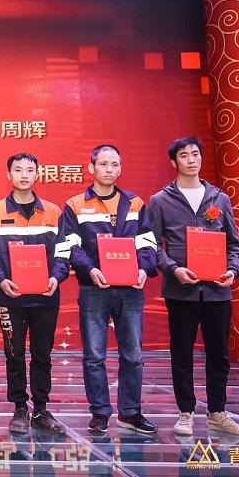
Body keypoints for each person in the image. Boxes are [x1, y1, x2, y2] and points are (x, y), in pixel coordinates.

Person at [149, 136, 239, 436]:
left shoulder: (219, 198)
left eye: (195, 154)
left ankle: (217, 412)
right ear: (174, 162)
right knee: (181, 353)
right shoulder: (160, 200)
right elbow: (151, 245)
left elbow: (234, 243)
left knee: (219, 354)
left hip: (217, 290)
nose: (191, 159)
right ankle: (186, 412)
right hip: (181, 291)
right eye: (184, 155)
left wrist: (233, 269)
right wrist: (173, 269)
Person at [63, 145, 158, 434]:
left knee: (133, 356)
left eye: (114, 164)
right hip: (94, 288)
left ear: (120, 169)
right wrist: (90, 270)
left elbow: (148, 241)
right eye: (103, 164)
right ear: (91, 168)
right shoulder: (75, 205)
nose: (109, 169)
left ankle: (130, 412)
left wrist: (144, 269)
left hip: (130, 289)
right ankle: (100, 412)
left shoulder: (135, 203)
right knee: (94, 355)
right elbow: (70, 245)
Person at [0, 153, 71, 435]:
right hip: (10, 298)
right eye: (18, 170)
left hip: (46, 296)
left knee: (43, 355)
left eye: (29, 170)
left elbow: (64, 253)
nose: (24, 175)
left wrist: (56, 277)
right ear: (9, 175)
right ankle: (20, 408)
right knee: (14, 354)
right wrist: (0, 280)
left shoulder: (54, 212)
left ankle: (41, 409)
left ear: (37, 174)